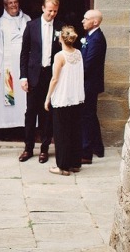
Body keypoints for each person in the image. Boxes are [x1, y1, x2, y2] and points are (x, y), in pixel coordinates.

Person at [18, 0, 64, 163]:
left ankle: (44, 149)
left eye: (55, 11)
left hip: (50, 76)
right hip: (33, 75)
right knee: (30, 113)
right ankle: (28, 148)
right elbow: (24, 54)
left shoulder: (60, 27)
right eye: (50, 10)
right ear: (43, 8)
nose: (52, 14)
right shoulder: (31, 26)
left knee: (47, 114)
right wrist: (23, 76)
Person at [44, 26, 85, 175]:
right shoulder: (78, 53)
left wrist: (48, 97)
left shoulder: (60, 56)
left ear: (61, 38)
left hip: (63, 98)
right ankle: (75, 163)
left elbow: (55, 79)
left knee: (61, 133)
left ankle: (62, 166)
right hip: (76, 98)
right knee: (75, 131)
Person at [0, 0, 31, 133]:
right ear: (5, 6)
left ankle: (24, 127)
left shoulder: (27, 19)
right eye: (10, 3)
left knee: (24, 97)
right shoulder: (0, 23)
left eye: (16, 2)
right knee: (7, 98)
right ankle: (5, 129)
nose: (14, 5)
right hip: (8, 68)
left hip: (24, 67)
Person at [80, 9, 107, 163]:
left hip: (89, 84)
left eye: (86, 19)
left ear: (95, 22)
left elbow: (88, 64)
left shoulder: (96, 39)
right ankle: (98, 147)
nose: (83, 21)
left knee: (86, 117)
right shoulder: (90, 36)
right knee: (90, 115)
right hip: (88, 83)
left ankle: (86, 150)